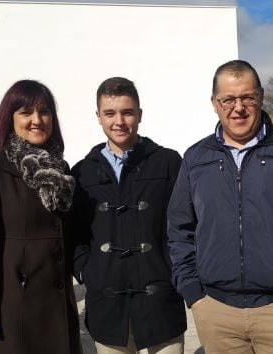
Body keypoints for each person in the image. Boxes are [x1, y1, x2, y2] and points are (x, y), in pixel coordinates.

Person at [167, 60, 273, 354]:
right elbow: (179, 230)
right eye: (228, 100)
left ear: (260, 97)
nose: (238, 108)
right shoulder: (196, 159)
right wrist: (194, 295)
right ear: (214, 103)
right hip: (216, 312)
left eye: (247, 97)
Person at [0, 80, 81, 354]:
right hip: (14, 312)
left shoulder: (59, 170)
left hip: (58, 307)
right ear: (9, 118)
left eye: (44, 112)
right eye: (26, 112)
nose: (37, 120)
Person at [71, 77, 186, 353]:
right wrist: (86, 271)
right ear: (98, 117)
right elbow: (75, 234)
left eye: (127, 112)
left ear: (140, 114)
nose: (119, 121)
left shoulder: (169, 162)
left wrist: (174, 270)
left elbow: (184, 224)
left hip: (161, 301)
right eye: (110, 113)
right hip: (107, 305)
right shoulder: (81, 172)